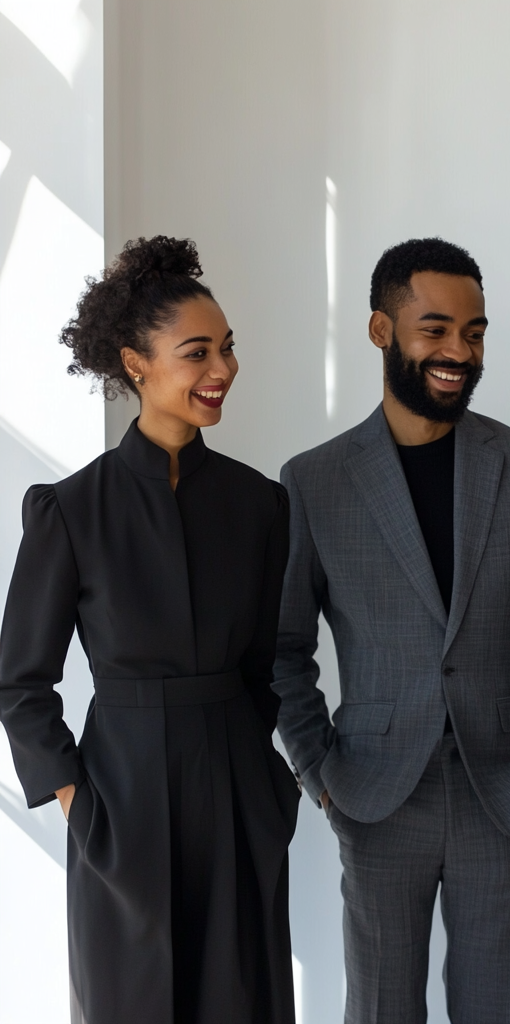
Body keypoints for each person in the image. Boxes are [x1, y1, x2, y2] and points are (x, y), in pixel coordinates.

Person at [273, 237, 510, 1024]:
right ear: (381, 331)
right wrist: (321, 775)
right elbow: (284, 653)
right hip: (373, 792)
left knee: (496, 1008)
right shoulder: (314, 481)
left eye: (474, 333)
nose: (459, 352)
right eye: (435, 329)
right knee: (379, 1010)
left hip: (500, 791)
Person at [0, 237, 300, 1024]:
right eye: (197, 353)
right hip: (119, 794)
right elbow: (20, 681)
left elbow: (270, 668)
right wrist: (75, 799)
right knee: (129, 999)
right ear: (136, 364)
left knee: (243, 999)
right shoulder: (71, 510)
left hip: (237, 788)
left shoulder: (259, 505)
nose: (222, 371)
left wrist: (262, 782)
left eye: (228, 349)